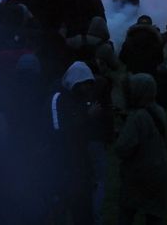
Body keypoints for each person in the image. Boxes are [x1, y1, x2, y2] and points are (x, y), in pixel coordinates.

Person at [115, 73, 167, 225]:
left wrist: (121, 132)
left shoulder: (137, 117)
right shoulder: (159, 111)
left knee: (126, 211)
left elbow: (122, 148)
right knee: (154, 214)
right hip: (159, 170)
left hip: (138, 173)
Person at [49, 61, 98, 225]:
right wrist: (87, 117)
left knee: (84, 207)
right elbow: (60, 132)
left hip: (81, 162)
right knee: (66, 205)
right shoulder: (59, 99)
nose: (87, 89)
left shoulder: (82, 100)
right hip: (64, 162)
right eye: (84, 85)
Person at [119, 15, 166, 107]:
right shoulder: (155, 40)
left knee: (133, 105)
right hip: (151, 78)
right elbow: (160, 59)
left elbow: (122, 58)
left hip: (133, 76)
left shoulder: (129, 39)